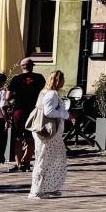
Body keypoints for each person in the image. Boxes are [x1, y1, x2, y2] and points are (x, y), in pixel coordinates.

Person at [28, 70, 71, 199]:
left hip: (51, 133)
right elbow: (48, 112)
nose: (63, 82)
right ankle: (36, 191)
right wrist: (66, 115)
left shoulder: (45, 92)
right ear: (58, 81)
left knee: (55, 158)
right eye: (62, 79)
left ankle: (48, 187)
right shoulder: (51, 94)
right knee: (43, 160)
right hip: (47, 133)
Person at [6, 58, 45, 172]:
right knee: (31, 137)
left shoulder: (16, 79)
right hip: (33, 111)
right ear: (32, 66)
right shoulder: (39, 78)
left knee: (18, 138)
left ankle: (18, 164)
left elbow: (7, 97)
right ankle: (27, 163)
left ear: (21, 66)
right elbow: (43, 92)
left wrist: (17, 96)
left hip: (19, 110)